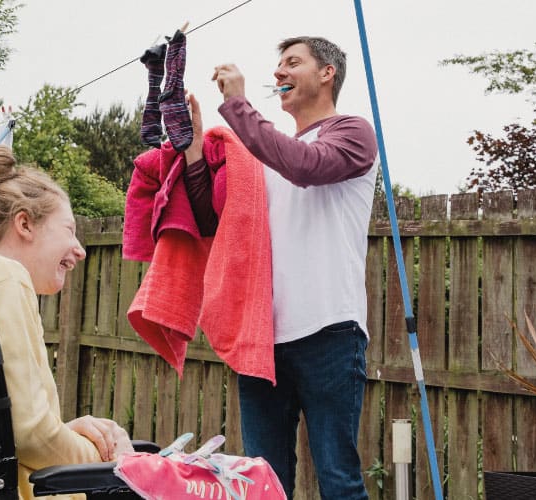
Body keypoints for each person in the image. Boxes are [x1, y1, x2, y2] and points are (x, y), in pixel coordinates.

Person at [184, 37, 379, 499]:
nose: (279, 73)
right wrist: (194, 150)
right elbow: (212, 219)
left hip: (329, 330)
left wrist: (237, 105)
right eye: (278, 65)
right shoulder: (265, 159)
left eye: (293, 63)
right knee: (262, 483)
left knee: (338, 479)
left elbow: (306, 166)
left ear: (327, 73)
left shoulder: (352, 132)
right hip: (261, 340)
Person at [0, 145, 133, 500]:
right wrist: (113, 460)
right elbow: (30, 434)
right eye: (69, 229)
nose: (79, 249)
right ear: (24, 224)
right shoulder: (4, 278)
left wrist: (65, 432)